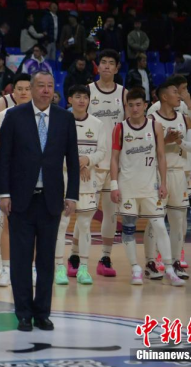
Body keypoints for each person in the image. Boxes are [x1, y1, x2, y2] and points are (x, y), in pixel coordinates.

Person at [0, 71, 79, 331]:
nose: (45, 90)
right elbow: (4, 157)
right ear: (31, 89)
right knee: (21, 260)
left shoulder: (65, 118)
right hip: (20, 200)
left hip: (51, 200)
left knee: (46, 260)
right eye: (40, 86)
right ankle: (23, 313)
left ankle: (42, 312)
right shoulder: (14, 116)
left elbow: (73, 160)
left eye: (50, 86)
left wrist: (72, 194)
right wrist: (3, 193)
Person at [110, 87, 185, 287]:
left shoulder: (155, 126)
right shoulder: (120, 128)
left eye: (138, 105)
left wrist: (163, 183)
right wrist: (114, 185)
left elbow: (161, 156)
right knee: (128, 228)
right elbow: (114, 159)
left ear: (145, 105)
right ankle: (135, 268)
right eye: (131, 105)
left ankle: (169, 269)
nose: (135, 109)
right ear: (126, 107)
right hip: (127, 187)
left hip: (150, 186)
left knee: (159, 225)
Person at [80, 49, 127, 278]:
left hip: (115, 163)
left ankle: (105, 258)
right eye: (103, 62)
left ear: (117, 68)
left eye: (111, 63)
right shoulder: (87, 92)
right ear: (97, 66)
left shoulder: (124, 94)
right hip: (91, 163)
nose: (107, 66)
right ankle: (75, 257)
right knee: (84, 213)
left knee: (111, 213)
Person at [54, 84, 106, 285]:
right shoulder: (59, 121)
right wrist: (76, 164)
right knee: (61, 225)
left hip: (87, 181)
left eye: (85, 97)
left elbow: (102, 151)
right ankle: (59, 269)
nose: (82, 100)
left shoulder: (97, 124)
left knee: (85, 226)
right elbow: (53, 150)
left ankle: (83, 269)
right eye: (77, 96)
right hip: (63, 180)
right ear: (69, 99)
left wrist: (88, 160)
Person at [147, 82, 191, 281]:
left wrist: (178, 141)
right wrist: (164, 140)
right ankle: (150, 262)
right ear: (164, 97)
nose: (179, 96)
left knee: (178, 222)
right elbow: (145, 148)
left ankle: (176, 262)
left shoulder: (185, 118)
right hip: (157, 174)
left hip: (178, 173)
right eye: (175, 92)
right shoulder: (152, 119)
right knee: (155, 221)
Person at [0, 74, 32, 287]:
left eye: (28, 88)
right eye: (20, 89)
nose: (24, 92)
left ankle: (31, 268)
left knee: (34, 225)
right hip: (10, 177)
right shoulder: (3, 116)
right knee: (6, 221)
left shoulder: (43, 115)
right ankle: (5, 266)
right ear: (13, 93)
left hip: (35, 178)